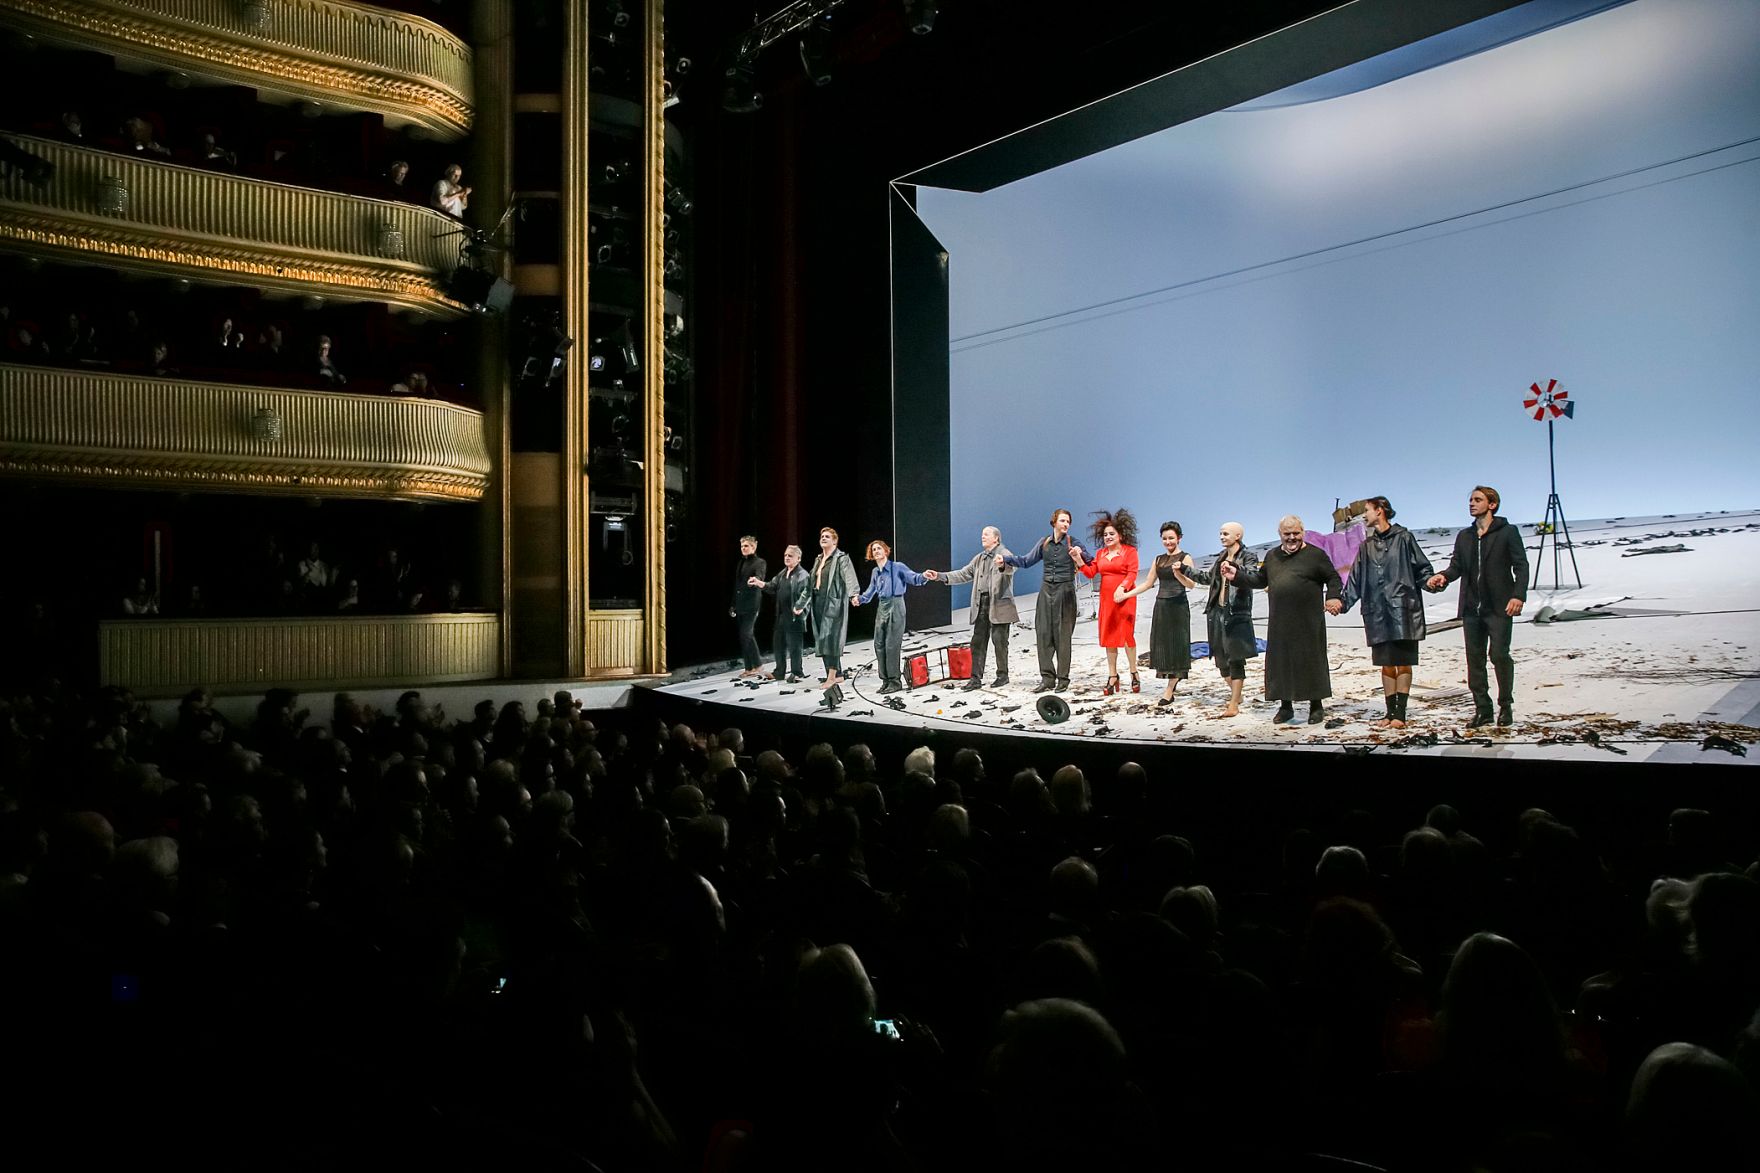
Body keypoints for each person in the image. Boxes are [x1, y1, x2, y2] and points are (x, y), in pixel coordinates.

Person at [1224, 515, 1344, 725]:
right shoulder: (1272, 556)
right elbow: (1260, 580)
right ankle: (1286, 707)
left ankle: (1316, 706)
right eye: (1286, 534)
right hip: (1280, 620)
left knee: (1311, 661)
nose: (1291, 538)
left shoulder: (1316, 555)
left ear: (1302, 532)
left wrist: (1333, 596)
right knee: (1281, 663)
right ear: (1280, 535)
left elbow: (1333, 578)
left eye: (1295, 533)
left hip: (1309, 619)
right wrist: (1238, 576)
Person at [1427, 485, 1528, 727]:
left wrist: (1518, 596)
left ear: (1492, 505)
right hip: (1472, 608)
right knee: (1475, 659)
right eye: (1470, 500)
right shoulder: (1465, 536)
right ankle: (1483, 709)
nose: (1471, 503)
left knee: (1500, 655)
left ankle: (1505, 706)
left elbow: (1521, 566)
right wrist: (1442, 577)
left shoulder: (1507, 532)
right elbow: (1456, 567)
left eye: (1478, 500)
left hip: (1500, 606)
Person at [1340, 495, 1436, 729]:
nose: (1364, 515)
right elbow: (1355, 579)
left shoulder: (1404, 538)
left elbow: (1422, 569)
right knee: (1385, 664)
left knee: (1403, 663)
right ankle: (1389, 711)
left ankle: (1400, 714)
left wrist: (1432, 582)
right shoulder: (1366, 546)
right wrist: (1342, 603)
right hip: (1377, 613)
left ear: (1380, 510)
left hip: (1403, 611)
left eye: (1368, 510)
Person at [1000, 509, 1088, 694]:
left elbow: (1089, 563)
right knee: (1044, 635)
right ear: (1054, 522)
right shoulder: (1044, 542)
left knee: (1063, 637)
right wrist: (1006, 559)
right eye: (1063, 520)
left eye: (1068, 522)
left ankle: (1063, 679)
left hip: (1066, 591)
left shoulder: (1074, 543)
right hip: (1046, 591)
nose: (1066, 524)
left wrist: (1080, 555)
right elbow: (1025, 561)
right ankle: (1047, 678)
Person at [924, 526, 1017, 691]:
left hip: (999, 605)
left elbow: (1012, 568)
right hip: (981, 603)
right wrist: (940, 576)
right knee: (978, 642)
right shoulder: (979, 558)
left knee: (999, 641)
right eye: (982, 534)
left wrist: (1003, 564)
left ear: (996, 538)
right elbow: (963, 574)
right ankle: (975, 678)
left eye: (986, 534)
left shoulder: (1005, 554)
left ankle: (1002, 675)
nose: (983, 536)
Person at [1116, 521, 1198, 706]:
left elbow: (1192, 584)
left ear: (1179, 538)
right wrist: (1126, 595)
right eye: (1164, 539)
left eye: (1171, 538)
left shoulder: (1185, 558)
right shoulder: (1158, 559)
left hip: (1178, 606)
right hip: (1161, 606)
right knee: (1163, 645)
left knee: (1177, 645)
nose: (1168, 542)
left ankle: (1170, 689)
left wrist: (1179, 575)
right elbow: (1147, 583)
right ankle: (1171, 682)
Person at [1184, 522, 1259, 719]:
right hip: (1217, 613)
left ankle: (1234, 702)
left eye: (1225, 534)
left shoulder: (1248, 556)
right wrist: (1185, 570)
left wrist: (1234, 567)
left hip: (1236, 613)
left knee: (1236, 659)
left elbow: (1252, 576)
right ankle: (1237, 694)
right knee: (1220, 659)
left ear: (1237, 536)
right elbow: (1208, 578)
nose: (1222, 537)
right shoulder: (1221, 557)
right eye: (1220, 534)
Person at [1076, 509, 1140, 695]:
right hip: (1107, 599)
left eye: (1111, 534)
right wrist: (1078, 560)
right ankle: (1113, 676)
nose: (1108, 537)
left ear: (1120, 535)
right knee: (1109, 635)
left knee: (1127, 634)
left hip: (1125, 598)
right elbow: (1090, 573)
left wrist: (1123, 587)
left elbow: (1132, 573)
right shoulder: (1101, 553)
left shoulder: (1129, 551)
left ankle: (1133, 672)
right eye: (1105, 535)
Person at [853, 540, 928, 695]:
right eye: (874, 550)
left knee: (891, 645)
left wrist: (924, 576)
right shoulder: (875, 572)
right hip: (882, 606)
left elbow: (914, 578)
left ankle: (895, 681)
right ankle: (885, 680)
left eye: (879, 548)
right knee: (879, 644)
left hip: (896, 604)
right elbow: (870, 591)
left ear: (886, 551)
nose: (876, 551)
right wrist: (859, 599)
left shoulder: (897, 567)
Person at [807, 527, 861, 707]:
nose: (823, 538)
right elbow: (810, 581)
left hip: (834, 602)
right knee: (822, 638)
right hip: (818, 601)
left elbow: (850, 577)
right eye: (822, 536)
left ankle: (831, 676)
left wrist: (854, 594)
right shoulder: (818, 559)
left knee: (832, 638)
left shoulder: (841, 558)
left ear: (835, 542)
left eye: (827, 537)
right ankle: (838, 674)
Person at [752, 544, 810, 682]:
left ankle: (797, 672)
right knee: (778, 645)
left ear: (798, 558)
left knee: (795, 647)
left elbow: (806, 594)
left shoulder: (803, 575)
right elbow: (772, 586)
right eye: (785, 555)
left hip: (794, 617)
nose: (787, 557)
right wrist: (758, 583)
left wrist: (799, 607)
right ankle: (779, 672)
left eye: (790, 555)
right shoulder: (783, 573)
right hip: (781, 616)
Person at [729, 535, 767, 677]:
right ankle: (749, 667)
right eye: (742, 546)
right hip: (740, 604)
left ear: (754, 546)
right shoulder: (741, 563)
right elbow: (737, 586)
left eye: (746, 546)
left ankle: (757, 664)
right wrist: (733, 605)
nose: (743, 548)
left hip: (752, 604)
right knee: (744, 636)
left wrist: (755, 580)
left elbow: (760, 577)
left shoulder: (760, 562)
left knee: (747, 634)